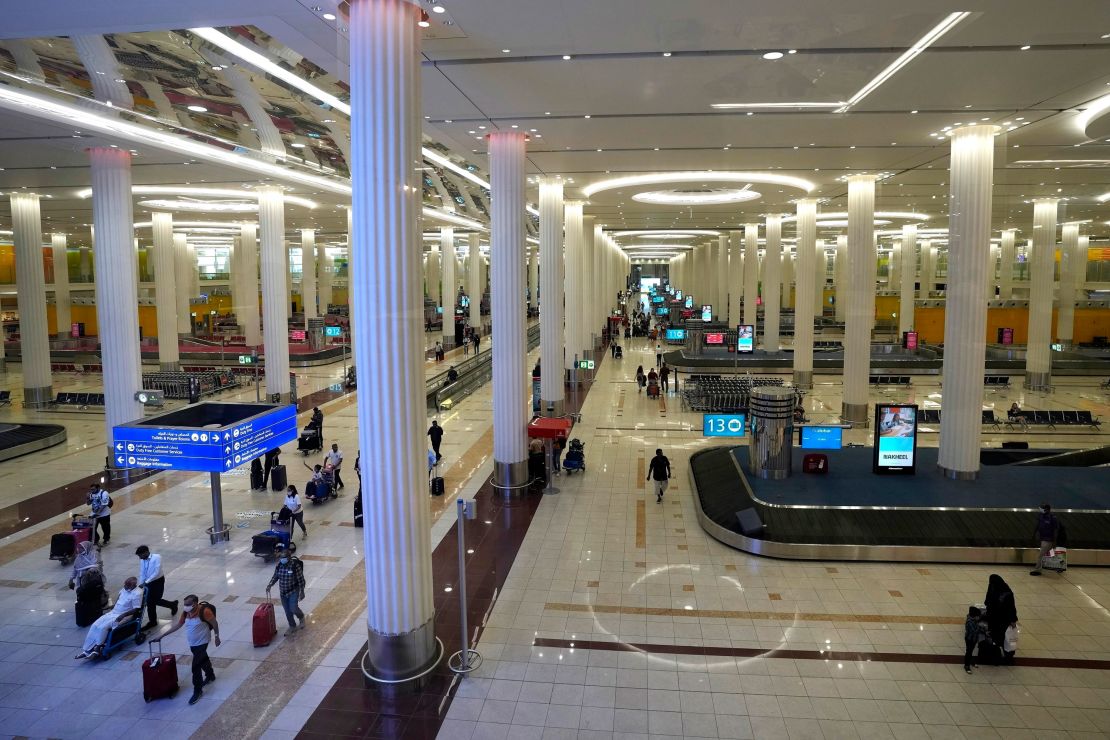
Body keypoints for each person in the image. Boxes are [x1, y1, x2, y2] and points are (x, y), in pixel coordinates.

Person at [159, 594, 220, 705]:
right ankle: (210, 675)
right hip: (193, 643)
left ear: (195, 604)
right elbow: (178, 625)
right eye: (185, 604)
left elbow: (214, 623)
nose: (186, 606)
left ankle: (197, 690)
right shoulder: (186, 613)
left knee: (195, 666)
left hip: (203, 642)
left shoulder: (205, 611)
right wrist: (162, 636)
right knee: (202, 660)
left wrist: (216, 637)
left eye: (188, 604)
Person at [75, 576, 143, 659]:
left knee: (103, 627)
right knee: (95, 625)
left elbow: (136, 609)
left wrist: (123, 615)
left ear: (133, 585)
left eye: (127, 585)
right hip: (113, 612)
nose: (125, 587)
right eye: (125, 585)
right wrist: (111, 607)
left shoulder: (137, 593)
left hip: (124, 615)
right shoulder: (123, 590)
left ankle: (97, 648)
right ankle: (86, 650)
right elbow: (118, 601)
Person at [266, 543, 306, 637]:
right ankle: (292, 626)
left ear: (289, 557)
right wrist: (270, 585)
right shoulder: (279, 565)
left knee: (293, 608)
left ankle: (301, 617)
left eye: (284, 557)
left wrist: (302, 591)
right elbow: (275, 576)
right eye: (281, 557)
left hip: (293, 591)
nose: (282, 559)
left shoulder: (294, 566)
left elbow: (301, 579)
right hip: (283, 593)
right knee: (287, 611)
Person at [136, 545, 178, 631]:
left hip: (158, 581)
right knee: (150, 602)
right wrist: (141, 583)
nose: (140, 558)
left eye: (141, 555)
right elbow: (142, 572)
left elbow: (157, 572)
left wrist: (146, 582)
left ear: (146, 552)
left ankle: (172, 605)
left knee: (155, 600)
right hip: (147, 582)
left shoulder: (157, 557)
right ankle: (153, 621)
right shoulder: (142, 560)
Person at [983, 574, 1018, 652]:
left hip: (1002, 618)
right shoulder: (993, 586)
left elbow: (1011, 607)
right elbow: (988, 599)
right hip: (994, 616)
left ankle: (1000, 648)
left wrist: (1013, 620)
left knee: (1000, 634)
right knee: (996, 633)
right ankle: (997, 649)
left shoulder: (1007, 593)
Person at [1030, 503, 1060, 575]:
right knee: (1051, 554)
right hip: (1043, 538)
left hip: (1048, 539)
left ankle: (1037, 570)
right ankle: (1059, 566)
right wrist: (1034, 534)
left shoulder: (1052, 518)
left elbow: (1055, 530)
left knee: (1041, 555)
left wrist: (1055, 541)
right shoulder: (1041, 516)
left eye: (1042, 508)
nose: (1040, 509)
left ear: (1047, 509)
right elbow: (1038, 525)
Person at [964, 605, 983, 674]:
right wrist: (981, 628)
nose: (979, 617)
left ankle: (971, 661)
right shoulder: (970, 622)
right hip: (970, 639)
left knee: (971, 650)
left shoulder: (973, 619)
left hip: (973, 638)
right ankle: (967, 665)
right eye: (978, 616)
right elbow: (974, 630)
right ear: (974, 616)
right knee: (968, 651)